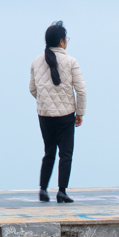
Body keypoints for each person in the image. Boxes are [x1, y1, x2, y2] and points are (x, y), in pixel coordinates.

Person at [29, 21, 86, 204]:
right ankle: (61, 191)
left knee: (49, 152)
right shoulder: (71, 61)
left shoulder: (36, 61)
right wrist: (80, 112)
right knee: (66, 154)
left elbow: (32, 89)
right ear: (62, 42)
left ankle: (43, 190)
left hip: (44, 114)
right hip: (66, 114)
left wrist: (45, 101)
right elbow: (81, 90)